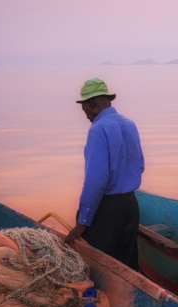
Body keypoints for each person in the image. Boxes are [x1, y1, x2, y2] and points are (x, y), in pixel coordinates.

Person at [65, 78, 145, 271]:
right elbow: (140, 165)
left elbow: (96, 180)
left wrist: (82, 222)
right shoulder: (130, 124)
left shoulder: (98, 129)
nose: (84, 115)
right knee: (127, 267)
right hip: (130, 206)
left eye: (83, 108)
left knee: (97, 267)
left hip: (108, 210)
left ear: (92, 104)